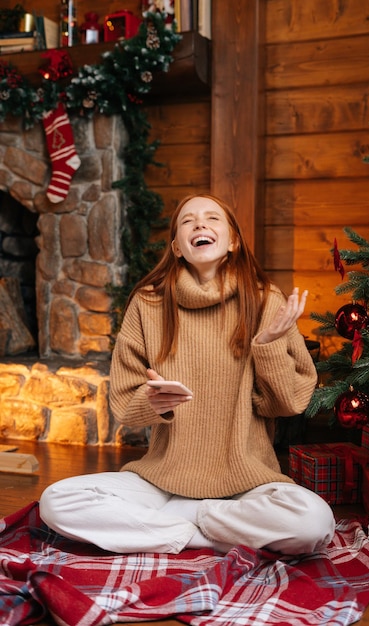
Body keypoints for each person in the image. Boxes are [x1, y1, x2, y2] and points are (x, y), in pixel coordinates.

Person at [39, 193, 335, 555]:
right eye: (187, 220)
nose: (200, 224)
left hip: (245, 481)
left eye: (213, 218)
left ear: (233, 241)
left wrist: (269, 345)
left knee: (314, 522)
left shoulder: (266, 299)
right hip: (161, 481)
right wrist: (152, 401)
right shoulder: (147, 303)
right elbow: (125, 407)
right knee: (56, 501)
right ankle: (197, 534)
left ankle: (182, 523)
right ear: (177, 246)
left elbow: (288, 403)